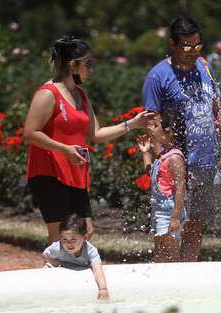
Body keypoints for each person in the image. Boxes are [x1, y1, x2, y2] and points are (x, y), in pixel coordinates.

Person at [23, 35, 154, 245]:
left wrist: (132, 124)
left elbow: (96, 134)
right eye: (88, 64)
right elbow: (30, 132)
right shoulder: (48, 94)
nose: (91, 69)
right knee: (61, 237)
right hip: (49, 172)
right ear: (73, 65)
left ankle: (68, 273)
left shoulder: (80, 95)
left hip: (75, 173)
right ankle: (55, 274)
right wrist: (64, 149)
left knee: (85, 231)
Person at [142, 18, 221, 262]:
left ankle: (188, 283)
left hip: (206, 163)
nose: (193, 53)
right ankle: (164, 285)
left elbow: (218, 108)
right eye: (186, 47)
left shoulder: (205, 66)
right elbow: (151, 123)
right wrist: (156, 161)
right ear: (172, 44)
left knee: (195, 227)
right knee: (169, 230)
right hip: (176, 166)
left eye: (197, 46)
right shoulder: (158, 77)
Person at [137, 109, 187, 262]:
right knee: (159, 253)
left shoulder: (174, 158)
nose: (152, 129)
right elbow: (151, 173)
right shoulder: (164, 155)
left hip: (170, 211)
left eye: (156, 126)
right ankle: (163, 283)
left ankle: (177, 282)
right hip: (160, 210)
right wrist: (145, 153)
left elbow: (180, 188)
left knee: (170, 253)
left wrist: (176, 218)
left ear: (169, 131)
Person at [43, 213, 109, 300]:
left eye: (73, 239)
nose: (69, 243)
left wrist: (103, 288)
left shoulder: (90, 251)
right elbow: (45, 256)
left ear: (85, 237)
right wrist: (59, 263)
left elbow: (97, 268)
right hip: (54, 275)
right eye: (64, 239)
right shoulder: (58, 247)